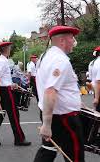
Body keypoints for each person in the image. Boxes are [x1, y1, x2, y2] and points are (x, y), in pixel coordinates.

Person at [33, 26, 85, 162]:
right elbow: (50, 91)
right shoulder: (60, 60)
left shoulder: (46, 56)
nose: (74, 41)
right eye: (71, 37)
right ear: (62, 40)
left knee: (48, 151)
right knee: (75, 155)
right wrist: (46, 124)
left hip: (56, 114)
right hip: (64, 118)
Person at [0, 41, 31, 146]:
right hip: (5, 91)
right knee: (14, 114)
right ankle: (19, 139)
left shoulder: (1, 60)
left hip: (5, 88)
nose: (10, 48)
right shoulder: (2, 61)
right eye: (9, 47)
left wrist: (12, 84)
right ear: (7, 49)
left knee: (0, 113)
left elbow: (2, 78)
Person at [91, 46, 100, 112]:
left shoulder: (92, 63)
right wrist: (97, 98)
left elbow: (91, 78)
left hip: (95, 90)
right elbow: (98, 81)